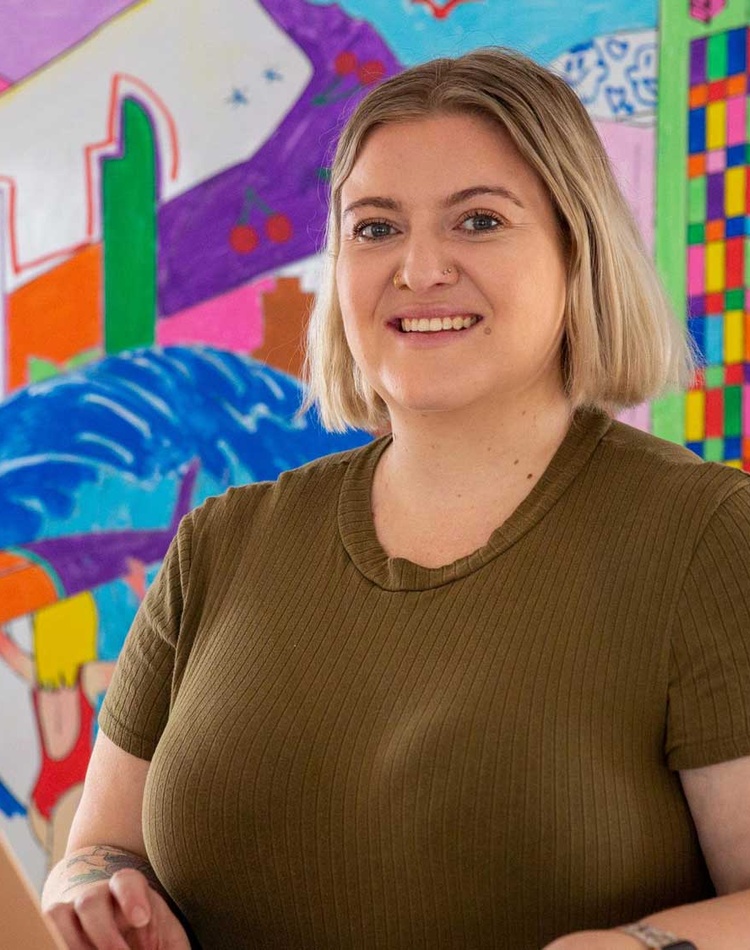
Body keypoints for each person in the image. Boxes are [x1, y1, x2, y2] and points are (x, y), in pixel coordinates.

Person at [41, 47, 750, 949]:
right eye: (375, 229)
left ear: (580, 252)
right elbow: (99, 847)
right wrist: (93, 891)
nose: (418, 270)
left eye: (479, 221)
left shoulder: (707, 537)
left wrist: (636, 946)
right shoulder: (224, 540)